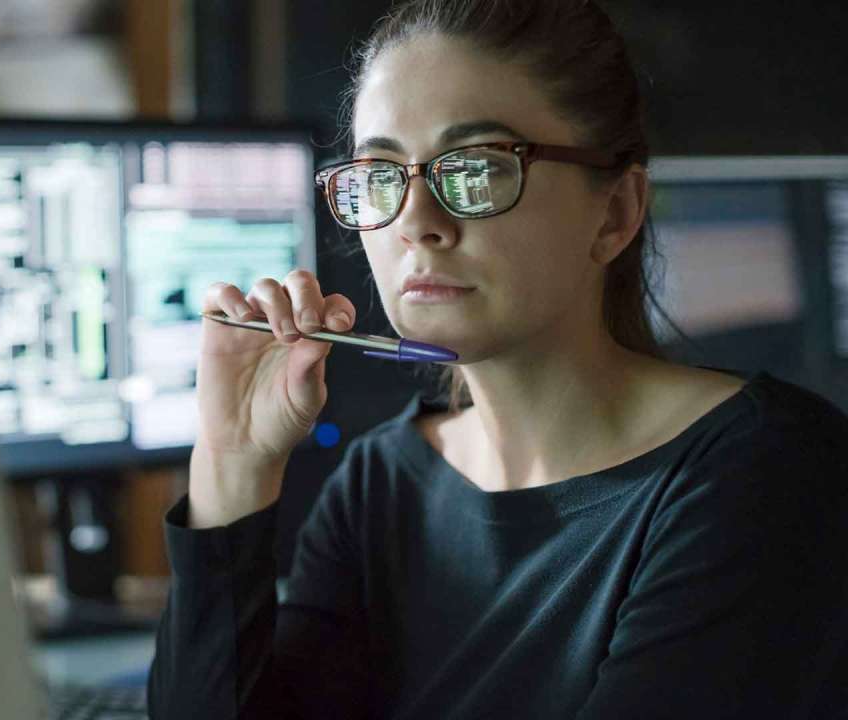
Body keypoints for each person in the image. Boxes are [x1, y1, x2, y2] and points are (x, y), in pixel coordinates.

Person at [146, 0, 848, 718]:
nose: (417, 223)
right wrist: (233, 464)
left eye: (475, 169)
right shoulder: (380, 486)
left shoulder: (766, 474)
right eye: (381, 175)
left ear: (615, 212)